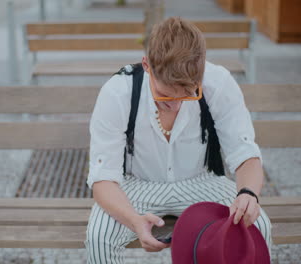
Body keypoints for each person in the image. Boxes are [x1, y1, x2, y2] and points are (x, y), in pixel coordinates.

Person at [84, 16, 272, 263]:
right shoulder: (118, 92)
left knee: (258, 225)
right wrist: (134, 221)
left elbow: (245, 154)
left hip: (200, 181)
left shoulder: (219, 81)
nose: (174, 106)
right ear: (147, 65)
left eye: (187, 94)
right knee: (99, 237)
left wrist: (248, 193)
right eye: (164, 95)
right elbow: (103, 178)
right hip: (137, 185)